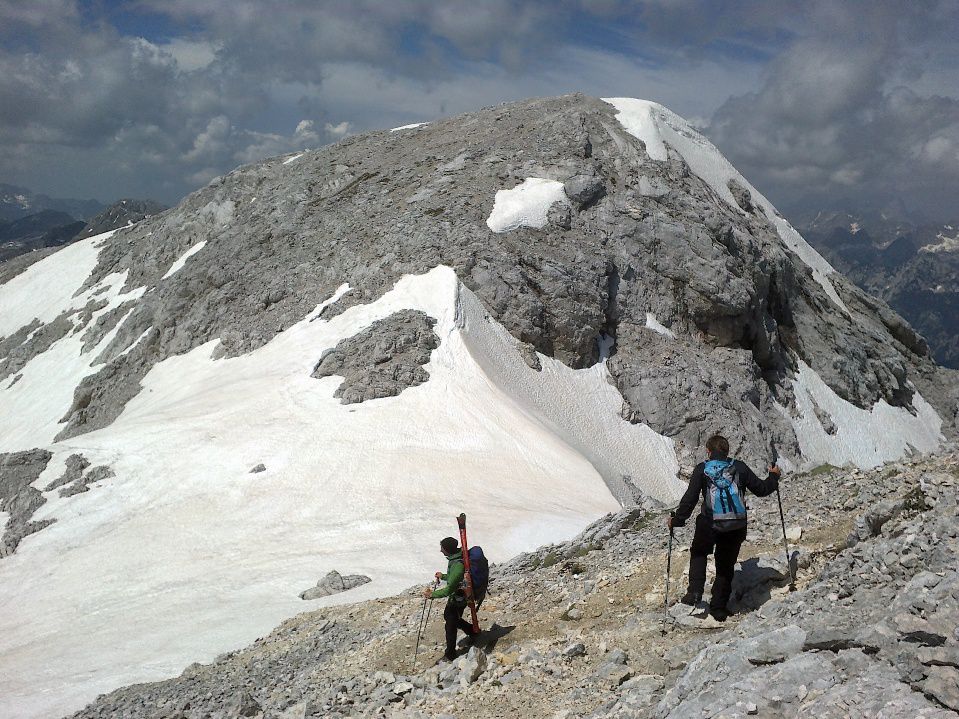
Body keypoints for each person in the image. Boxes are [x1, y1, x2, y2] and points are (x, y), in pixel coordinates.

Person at [667, 434, 781, 622]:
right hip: (735, 525)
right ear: (728, 451)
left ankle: (695, 592)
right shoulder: (739, 467)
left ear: (709, 452)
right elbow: (761, 489)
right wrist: (773, 477)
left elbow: (690, 499)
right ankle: (718, 608)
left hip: (709, 523)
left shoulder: (702, 469)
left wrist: (677, 520)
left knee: (699, 552)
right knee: (725, 566)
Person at [424, 536, 480, 662]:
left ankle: (450, 654)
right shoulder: (455, 560)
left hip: (458, 598)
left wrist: (432, 595)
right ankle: (472, 631)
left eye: (442, 548)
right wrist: (443, 576)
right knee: (451, 618)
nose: (441, 551)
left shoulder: (457, 565)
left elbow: (449, 588)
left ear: (447, 550)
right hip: (460, 597)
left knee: (450, 624)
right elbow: (453, 578)